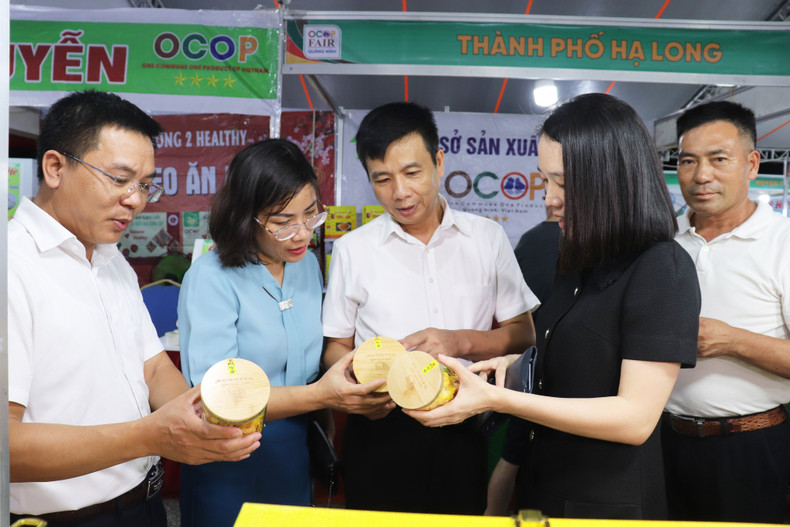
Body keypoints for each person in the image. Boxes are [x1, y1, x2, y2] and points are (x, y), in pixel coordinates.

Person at [407, 93, 701, 520]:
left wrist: (499, 401)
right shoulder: (579, 258)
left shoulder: (662, 267)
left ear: (610, 178)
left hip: (605, 501)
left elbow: (634, 418)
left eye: (563, 183)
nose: (548, 198)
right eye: (545, 181)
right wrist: (510, 364)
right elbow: (574, 358)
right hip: (547, 485)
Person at [8, 90, 260, 526]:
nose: (136, 200)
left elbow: (153, 367)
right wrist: (151, 435)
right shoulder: (13, 266)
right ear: (54, 167)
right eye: (119, 179)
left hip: (145, 505)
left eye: (145, 184)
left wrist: (204, 418)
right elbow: (6, 446)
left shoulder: (110, 259)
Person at [321, 101, 538, 515]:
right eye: (382, 179)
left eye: (412, 173)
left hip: (461, 420)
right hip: (379, 427)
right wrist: (361, 378)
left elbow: (523, 332)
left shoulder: (487, 238)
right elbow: (335, 345)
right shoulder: (353, 249)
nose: (400, 192)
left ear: (439, 161)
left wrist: (457, 341)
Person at [177, 138, 389, 526]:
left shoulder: (306, 265)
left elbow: (313, 356)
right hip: (229, 450)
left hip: (294, 448)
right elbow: (222, 397)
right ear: (246, 217)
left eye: (311, 215)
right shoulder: (210, 278)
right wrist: (319, 395)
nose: (301, 234)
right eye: (281, 222)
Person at [661, 101, 790, 524]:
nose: (702, 175)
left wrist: (732, 341)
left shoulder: (781, 243)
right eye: (687, 161)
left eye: (719, 159)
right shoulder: (662, 243)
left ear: (752, 164)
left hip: (751, 448)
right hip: (662, 440)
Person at [486, 203, 560, 516]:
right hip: (545, 368)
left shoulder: (530, 239)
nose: (551, 197)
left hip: (527, 366)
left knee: (513, 455)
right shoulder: (554, 241)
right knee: (516, 455)